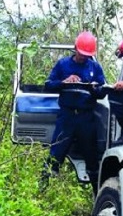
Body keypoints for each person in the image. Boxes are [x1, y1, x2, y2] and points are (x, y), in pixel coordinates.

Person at [42, 31, 106, 188]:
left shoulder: (95, 67)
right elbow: (48, 85)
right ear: (75, 48)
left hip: (86, 118)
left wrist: (94, 88)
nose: (84, 57)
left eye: (87, 54)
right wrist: (64, 82)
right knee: (55, 154)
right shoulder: (63, 64)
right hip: (67, 117)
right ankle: (42, 190)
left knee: (92, 159)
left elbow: (103, 91)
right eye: (82, 53)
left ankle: (98, 196)